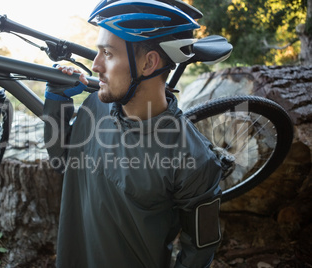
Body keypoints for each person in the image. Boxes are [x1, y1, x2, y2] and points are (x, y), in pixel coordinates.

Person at [43, 0, 223, 267]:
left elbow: (200, 249)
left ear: (149, 63)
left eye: (108, 53)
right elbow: (60, 159)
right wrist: (56, 102)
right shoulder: (95, 106)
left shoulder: (193, 158)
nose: (95, 65)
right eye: (98, 52)